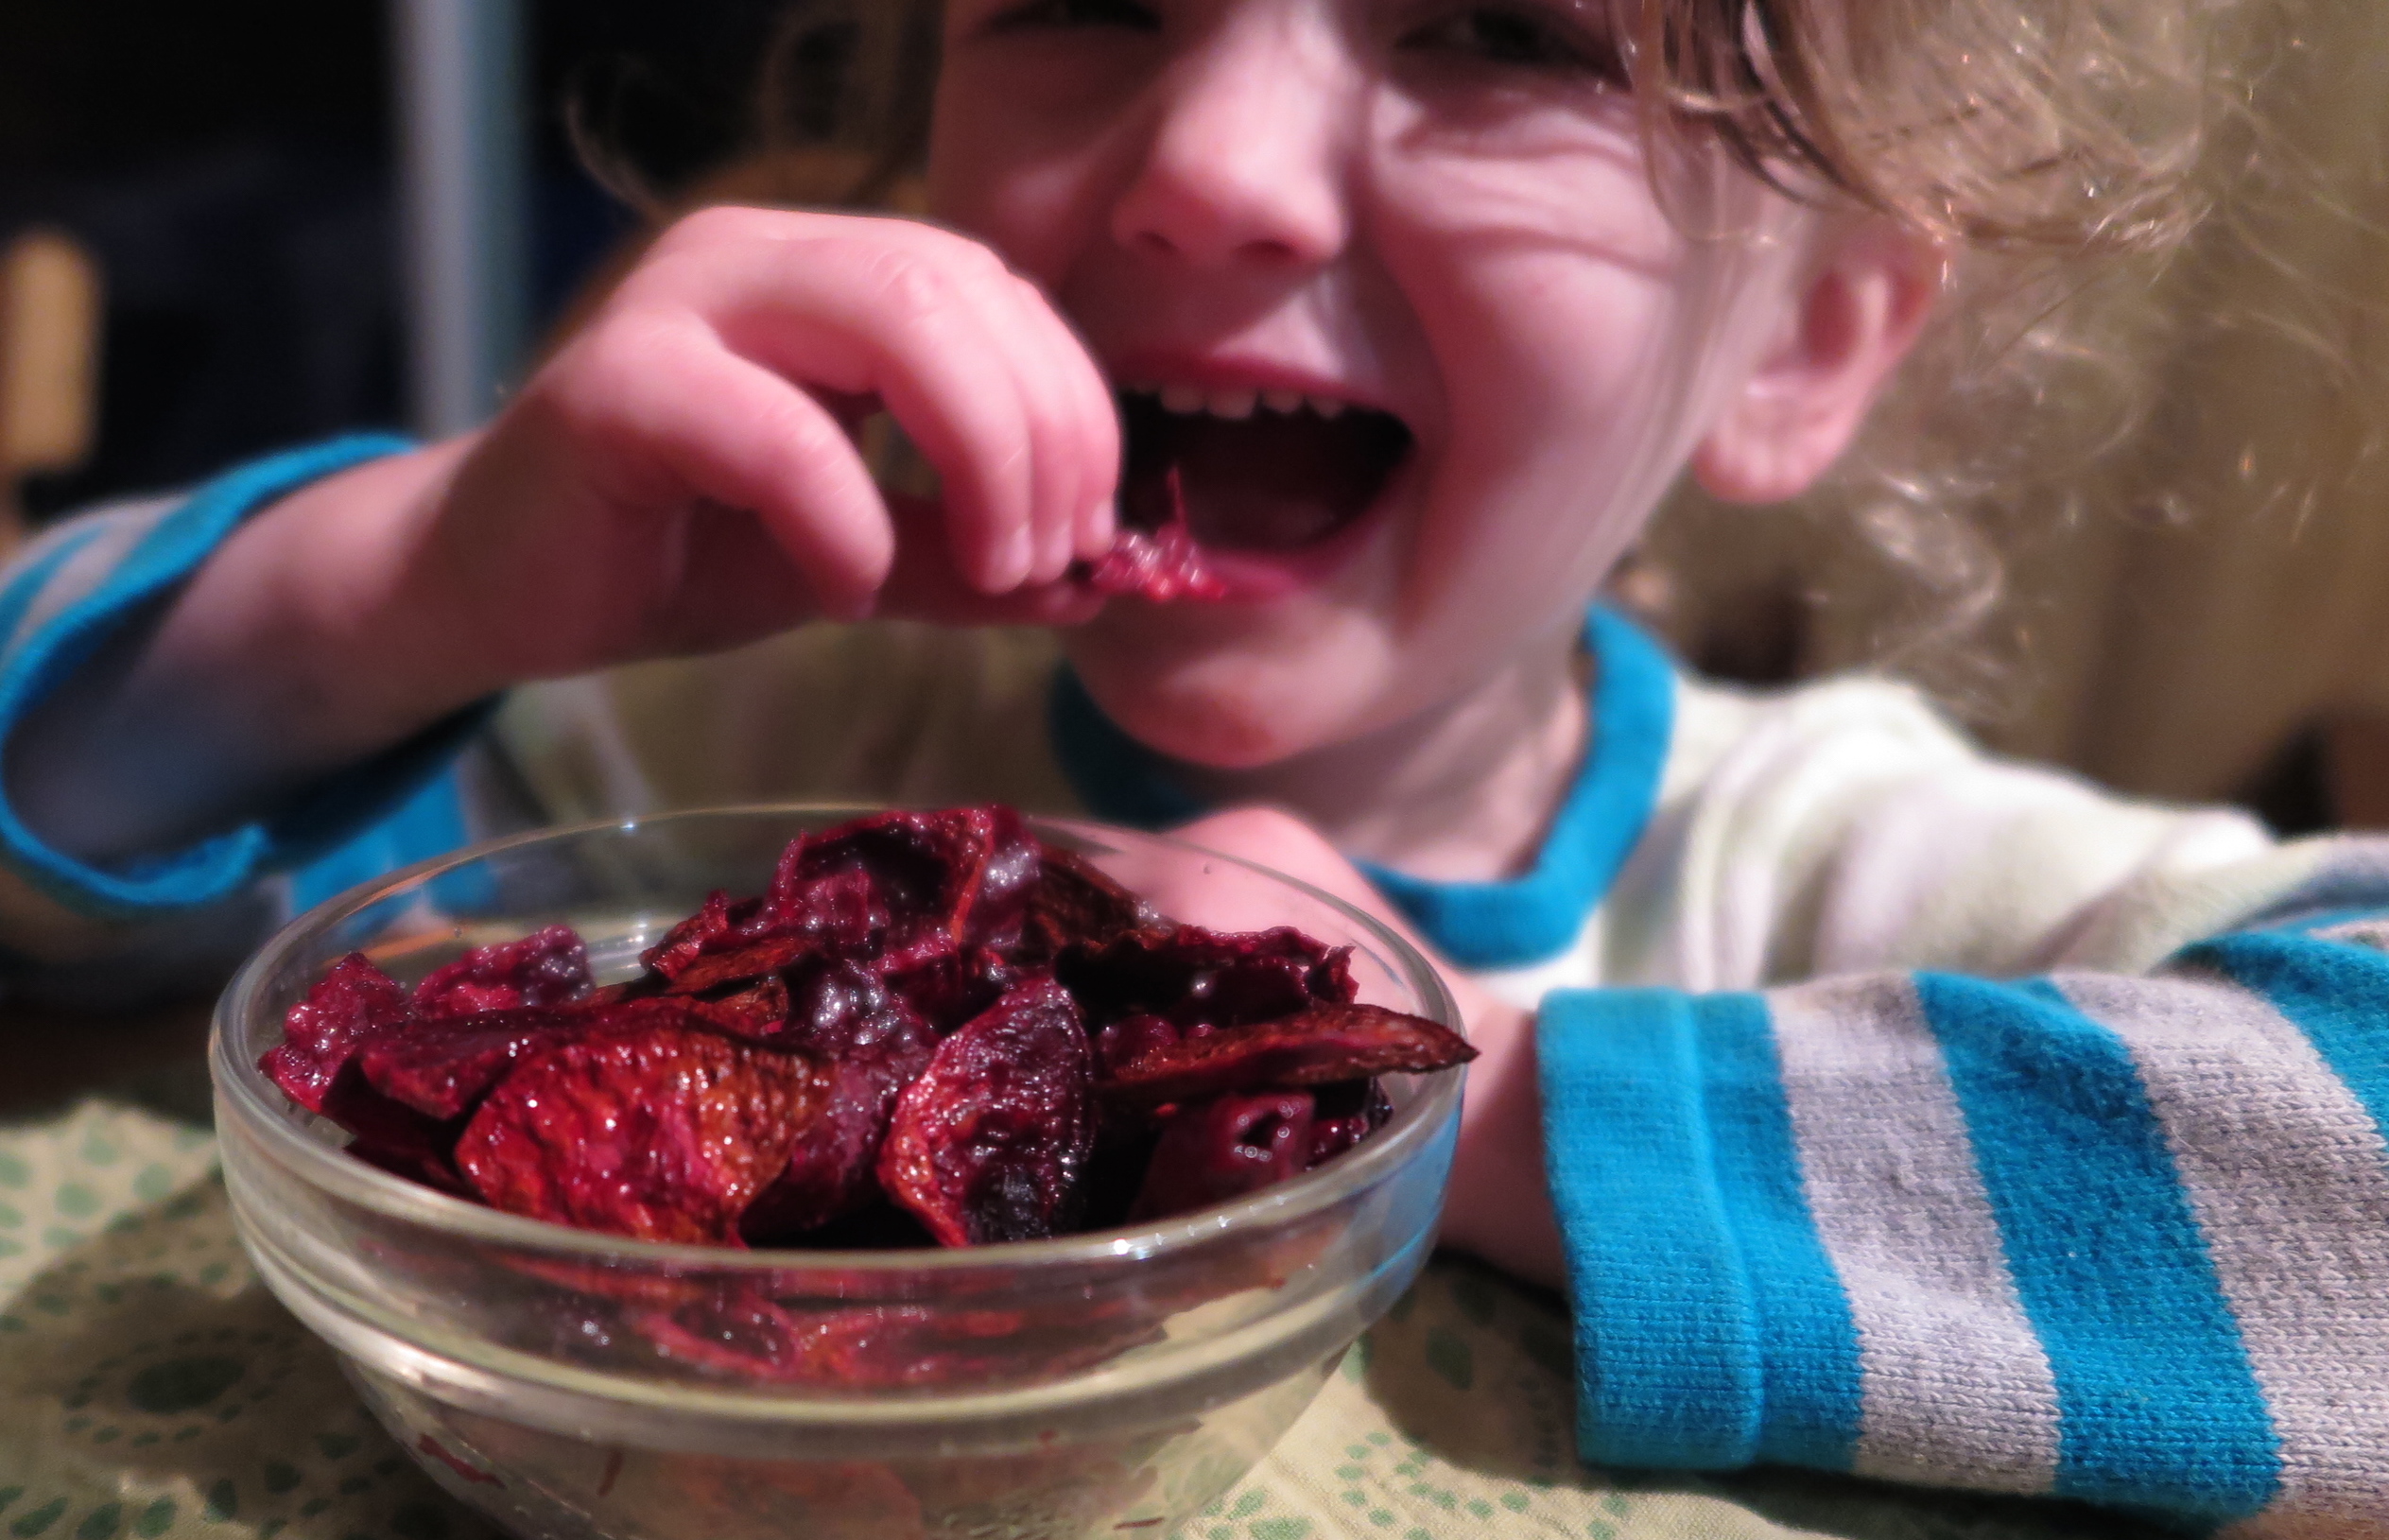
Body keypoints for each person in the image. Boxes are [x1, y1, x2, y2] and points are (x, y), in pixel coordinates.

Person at [1, 0, 2382, 1527]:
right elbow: (82, 839)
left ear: (1812, 338)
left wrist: (1387, 1092)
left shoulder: (1827, 869)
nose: (1210, 161)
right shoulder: (746, 759)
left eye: (1501, 30)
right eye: (1080, 0)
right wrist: (419, 575)